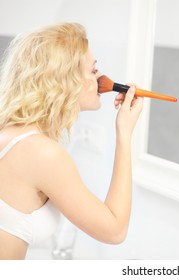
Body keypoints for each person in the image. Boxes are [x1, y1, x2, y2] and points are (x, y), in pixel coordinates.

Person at [0, 22, 143, 259]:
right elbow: (115, 231)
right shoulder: (41, 152)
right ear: (65, 80)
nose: (100, 77)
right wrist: (125, 133)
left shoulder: (10, 132)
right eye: (93, 70)